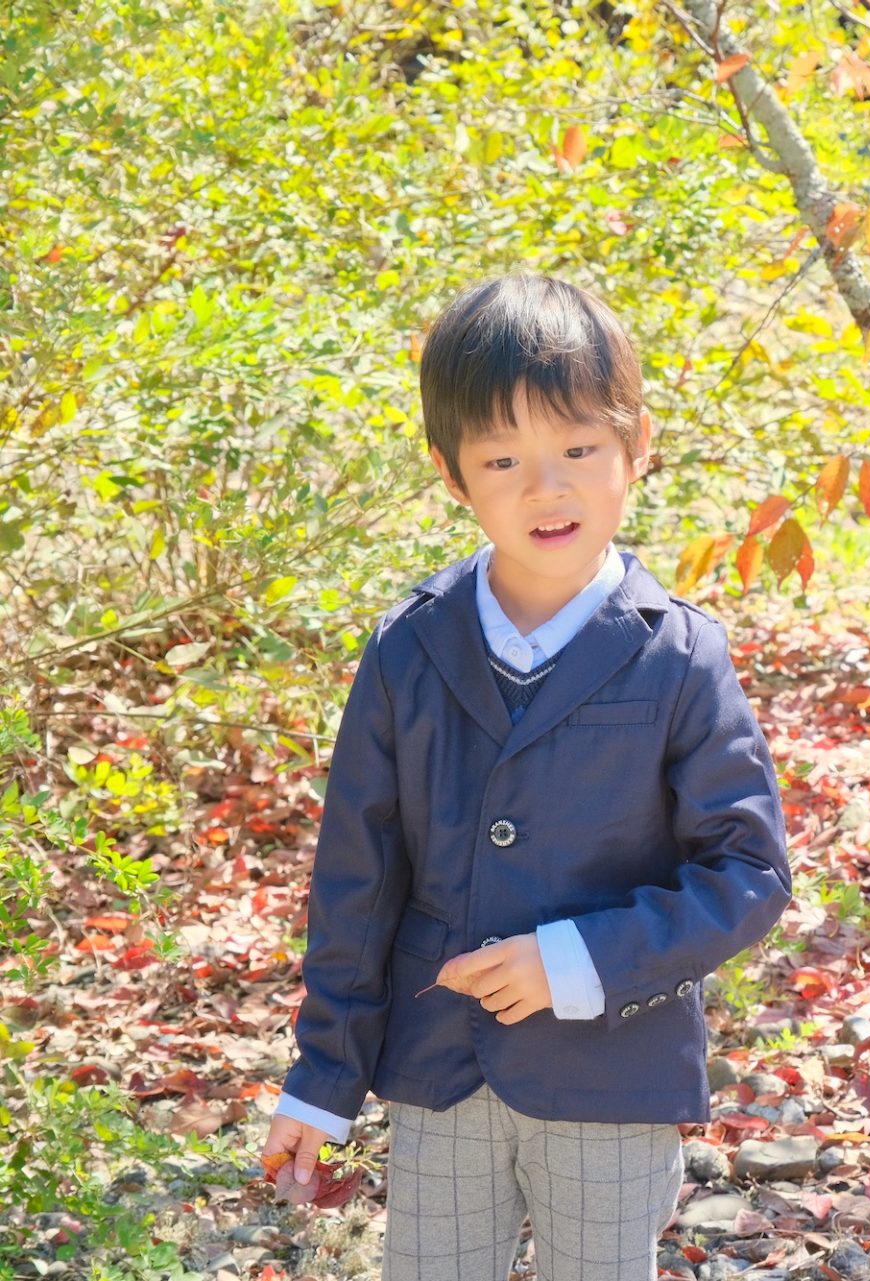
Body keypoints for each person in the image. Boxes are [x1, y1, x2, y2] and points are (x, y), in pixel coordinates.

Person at [258, 274, 792, 1280]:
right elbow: (358, 881)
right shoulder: (408, 650)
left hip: (612, 1071)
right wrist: (323, 1079)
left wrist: (577, 961)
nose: (547, 489)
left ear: (638, 445)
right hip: (439, 1068)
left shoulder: (678, 655)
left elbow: (748, 873)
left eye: (578, 450)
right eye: (503, 459)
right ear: (451, 476)